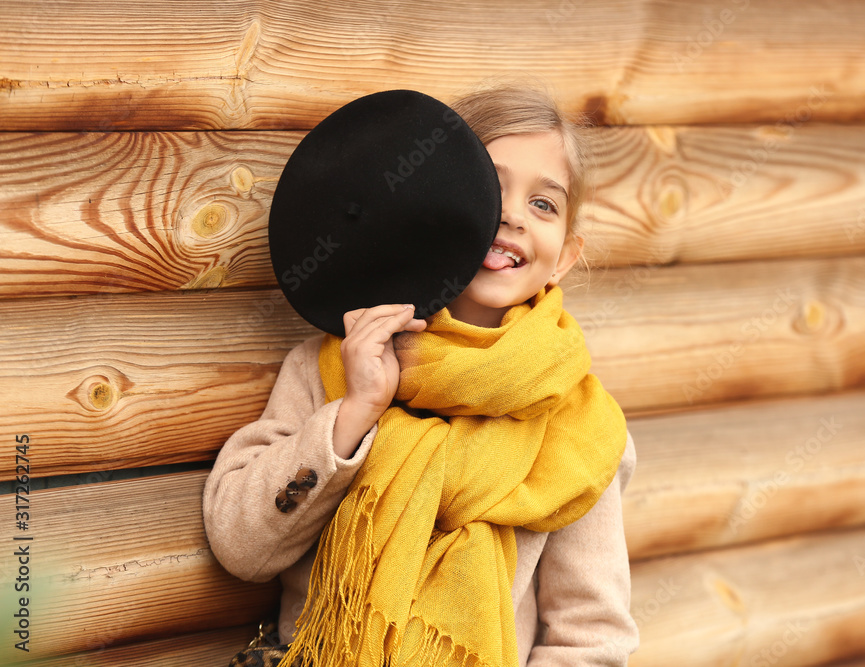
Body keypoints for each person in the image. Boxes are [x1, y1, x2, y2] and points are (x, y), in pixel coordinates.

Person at [203, 84, 639, 666]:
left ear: (563, 256)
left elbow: (593, 637)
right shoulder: (334, 364)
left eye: (544, 204)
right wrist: (353, 415)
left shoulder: (579, 424)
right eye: (487, 187)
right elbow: (241, 546)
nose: (511, 214)